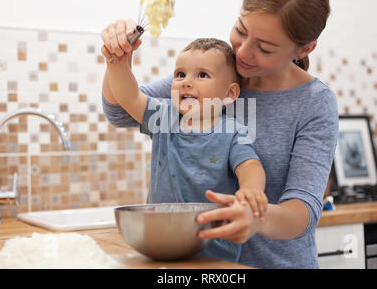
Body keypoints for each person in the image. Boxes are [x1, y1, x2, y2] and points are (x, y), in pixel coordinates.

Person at [101, 0, 338, 268]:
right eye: (241, 30)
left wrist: (256, 217)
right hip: (200, 266)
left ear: (304, 49)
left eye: (264, 48)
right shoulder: (214, 71)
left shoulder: (315, 101)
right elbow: (119, 110)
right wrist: (116, 55)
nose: (243, 53)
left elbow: (303, 210)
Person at [102, 37, 267, 262]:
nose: (186, 82)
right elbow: (128, 96)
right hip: (159, 245)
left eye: (202, 75)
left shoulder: (233, 131)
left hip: (214, 253)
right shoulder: (163, 116)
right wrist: (116, 62)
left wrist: (252, 191)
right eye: (180, 74)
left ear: (230, 94)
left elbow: (250, 165)